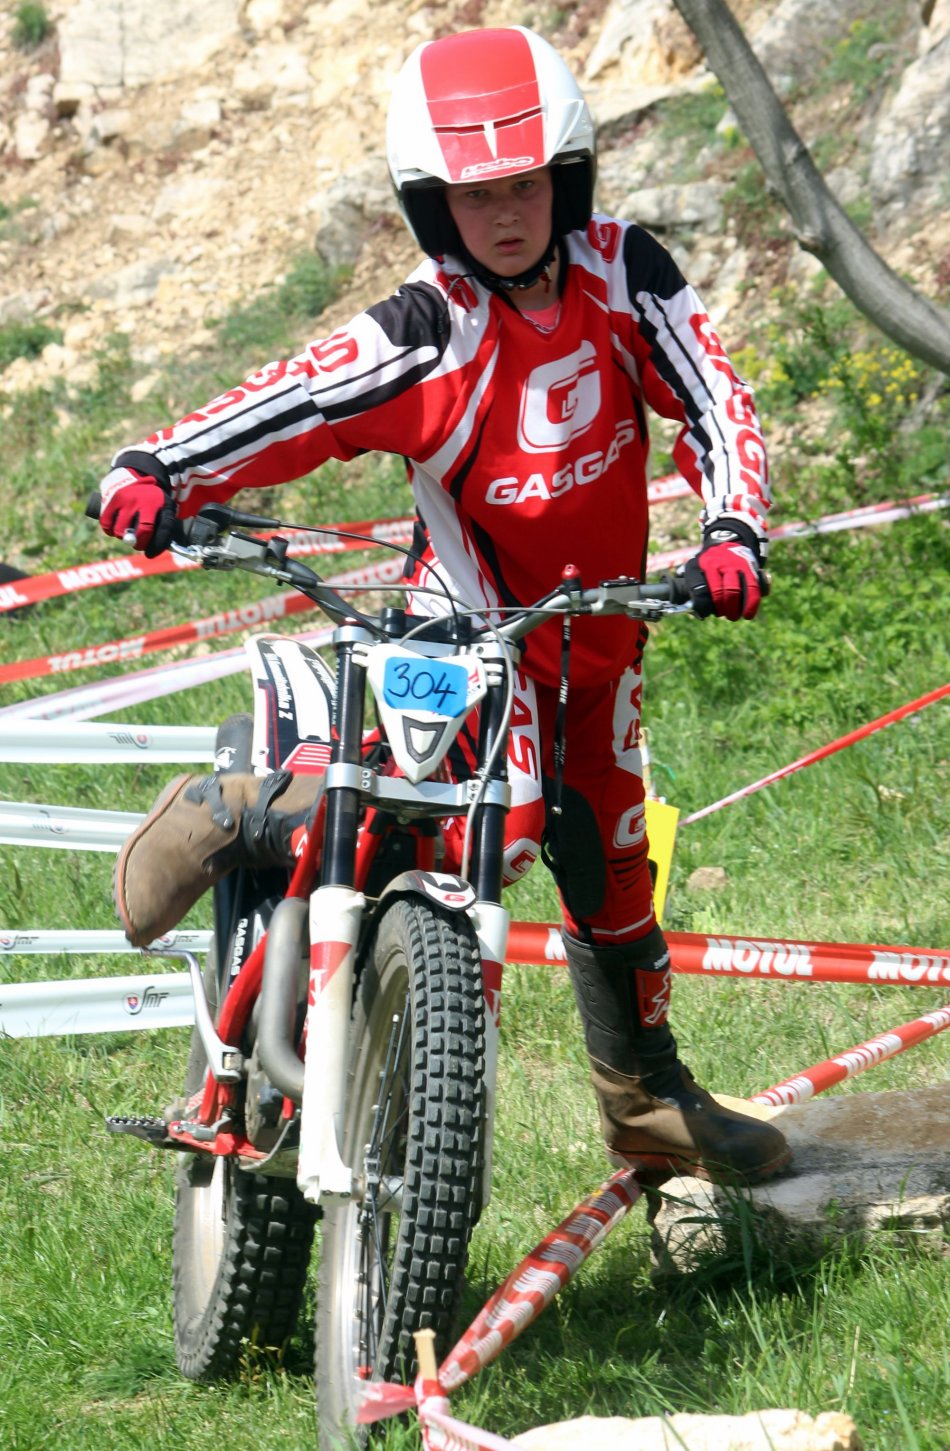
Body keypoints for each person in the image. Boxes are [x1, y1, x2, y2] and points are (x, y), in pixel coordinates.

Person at [96, 26, 789, 1185]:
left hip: (598, 646)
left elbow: (716, 398)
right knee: (470, 828)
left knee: (616, 877)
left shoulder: (626, 272)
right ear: (433, 205)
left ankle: (644, 1102)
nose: (504, 214)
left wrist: (732, 529)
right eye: (474, 196)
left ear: (566, 177)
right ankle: (245, 808)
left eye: (523, 185)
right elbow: (298, 396)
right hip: (463, 639)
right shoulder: (428, 327)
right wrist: (159, 466)